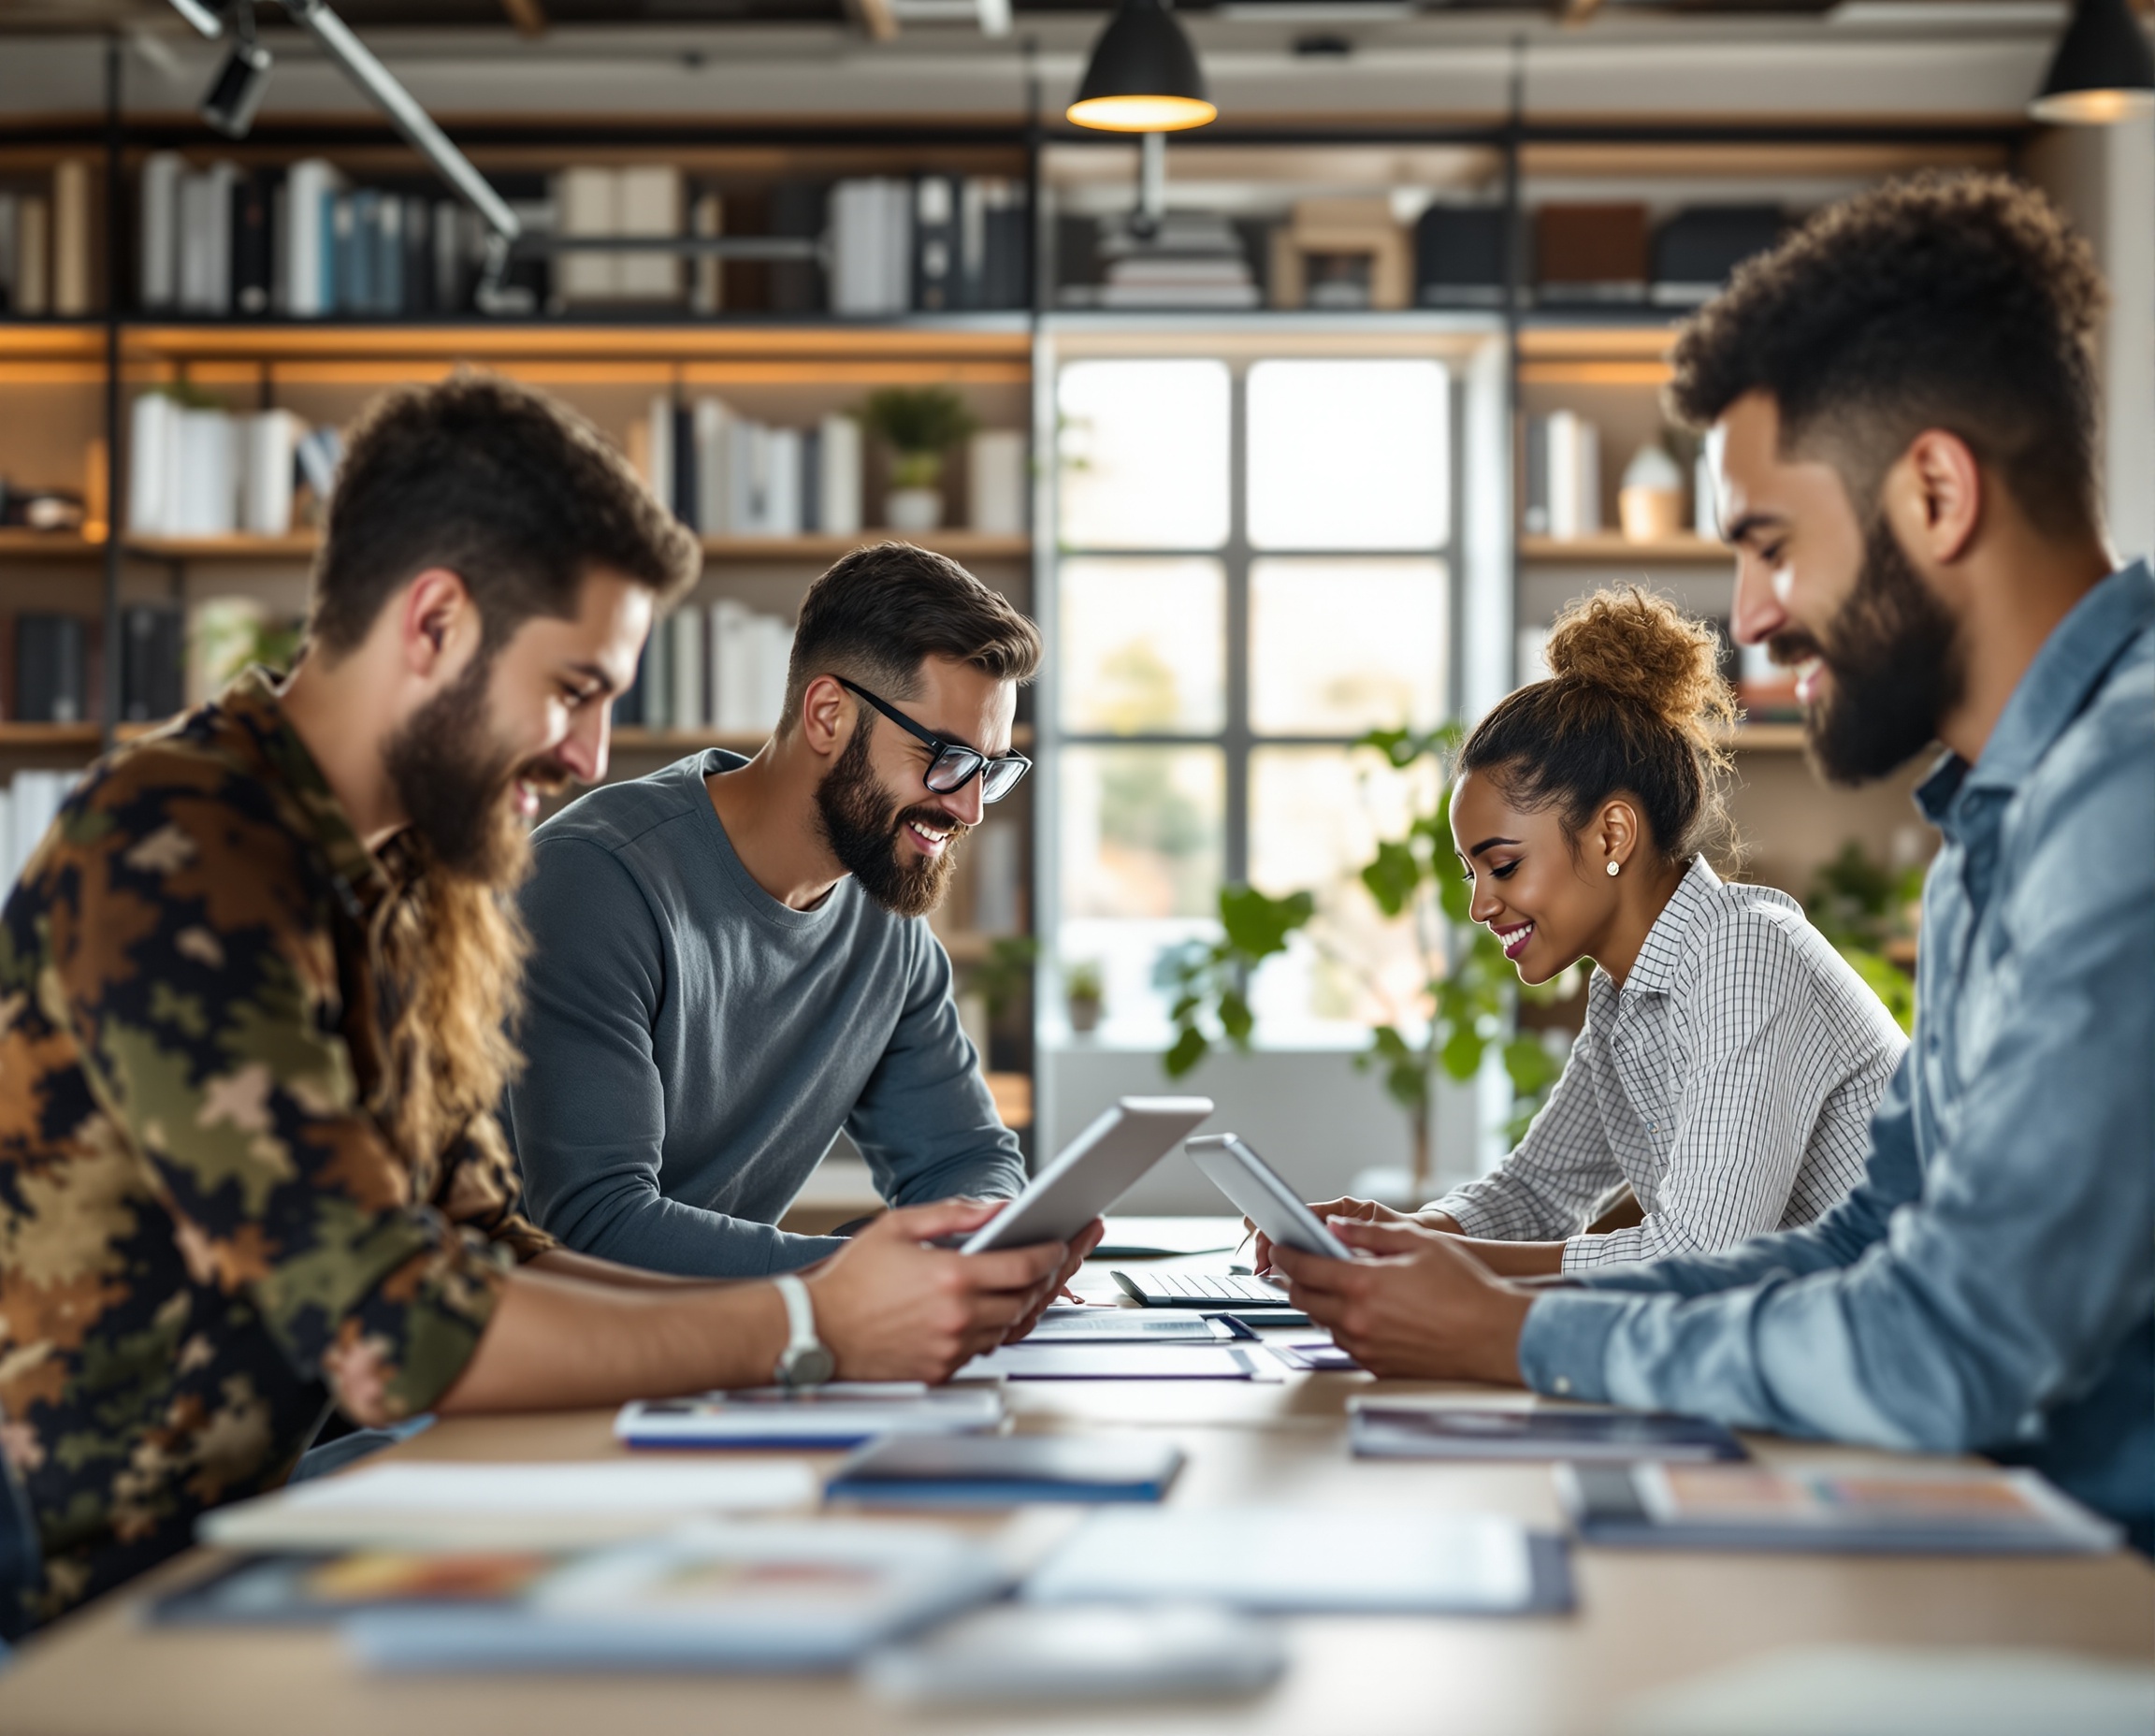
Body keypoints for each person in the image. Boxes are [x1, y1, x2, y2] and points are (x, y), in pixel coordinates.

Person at [0, 376, 1068, 1628]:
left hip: (285, 1523)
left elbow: (489, 1244)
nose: (590, 758)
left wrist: (835, 1312)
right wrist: (805, 1323)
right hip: (92, 1593)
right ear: (435, 624)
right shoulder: (182, 849)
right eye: (572, 690)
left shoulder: (420, 880)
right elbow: (391, 1321)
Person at [1269, 173, 2155, 1550]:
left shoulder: (2127, 795)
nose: (1747, 618)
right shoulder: (1993, 832)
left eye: (1772, 545)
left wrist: (1523, 1337)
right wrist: (1474, 1292)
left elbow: (1953, 1343)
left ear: (1933, 491)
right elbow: (1871, 1250)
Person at [503, 542, 1099, 1297]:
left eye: (990, 770)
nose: (969, 807)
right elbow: (594, 1225)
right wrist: (861, 1272)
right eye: (945, 758)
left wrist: (986, 1244)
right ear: (827, 715)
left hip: (717, 1363)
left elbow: (962, 1158)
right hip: (502, 1371)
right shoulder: (595, 881)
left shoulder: (886, 919)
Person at [1259, 586, 1903, 1280]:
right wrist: (1399, 1232)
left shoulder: (1747, 955)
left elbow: (1699, 1259)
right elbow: (1537, 1190)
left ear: (1611, 834)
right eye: (1472, 873)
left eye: (1503, 865)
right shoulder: (1625, 998)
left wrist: (1433, 1261)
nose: (1480, 906)